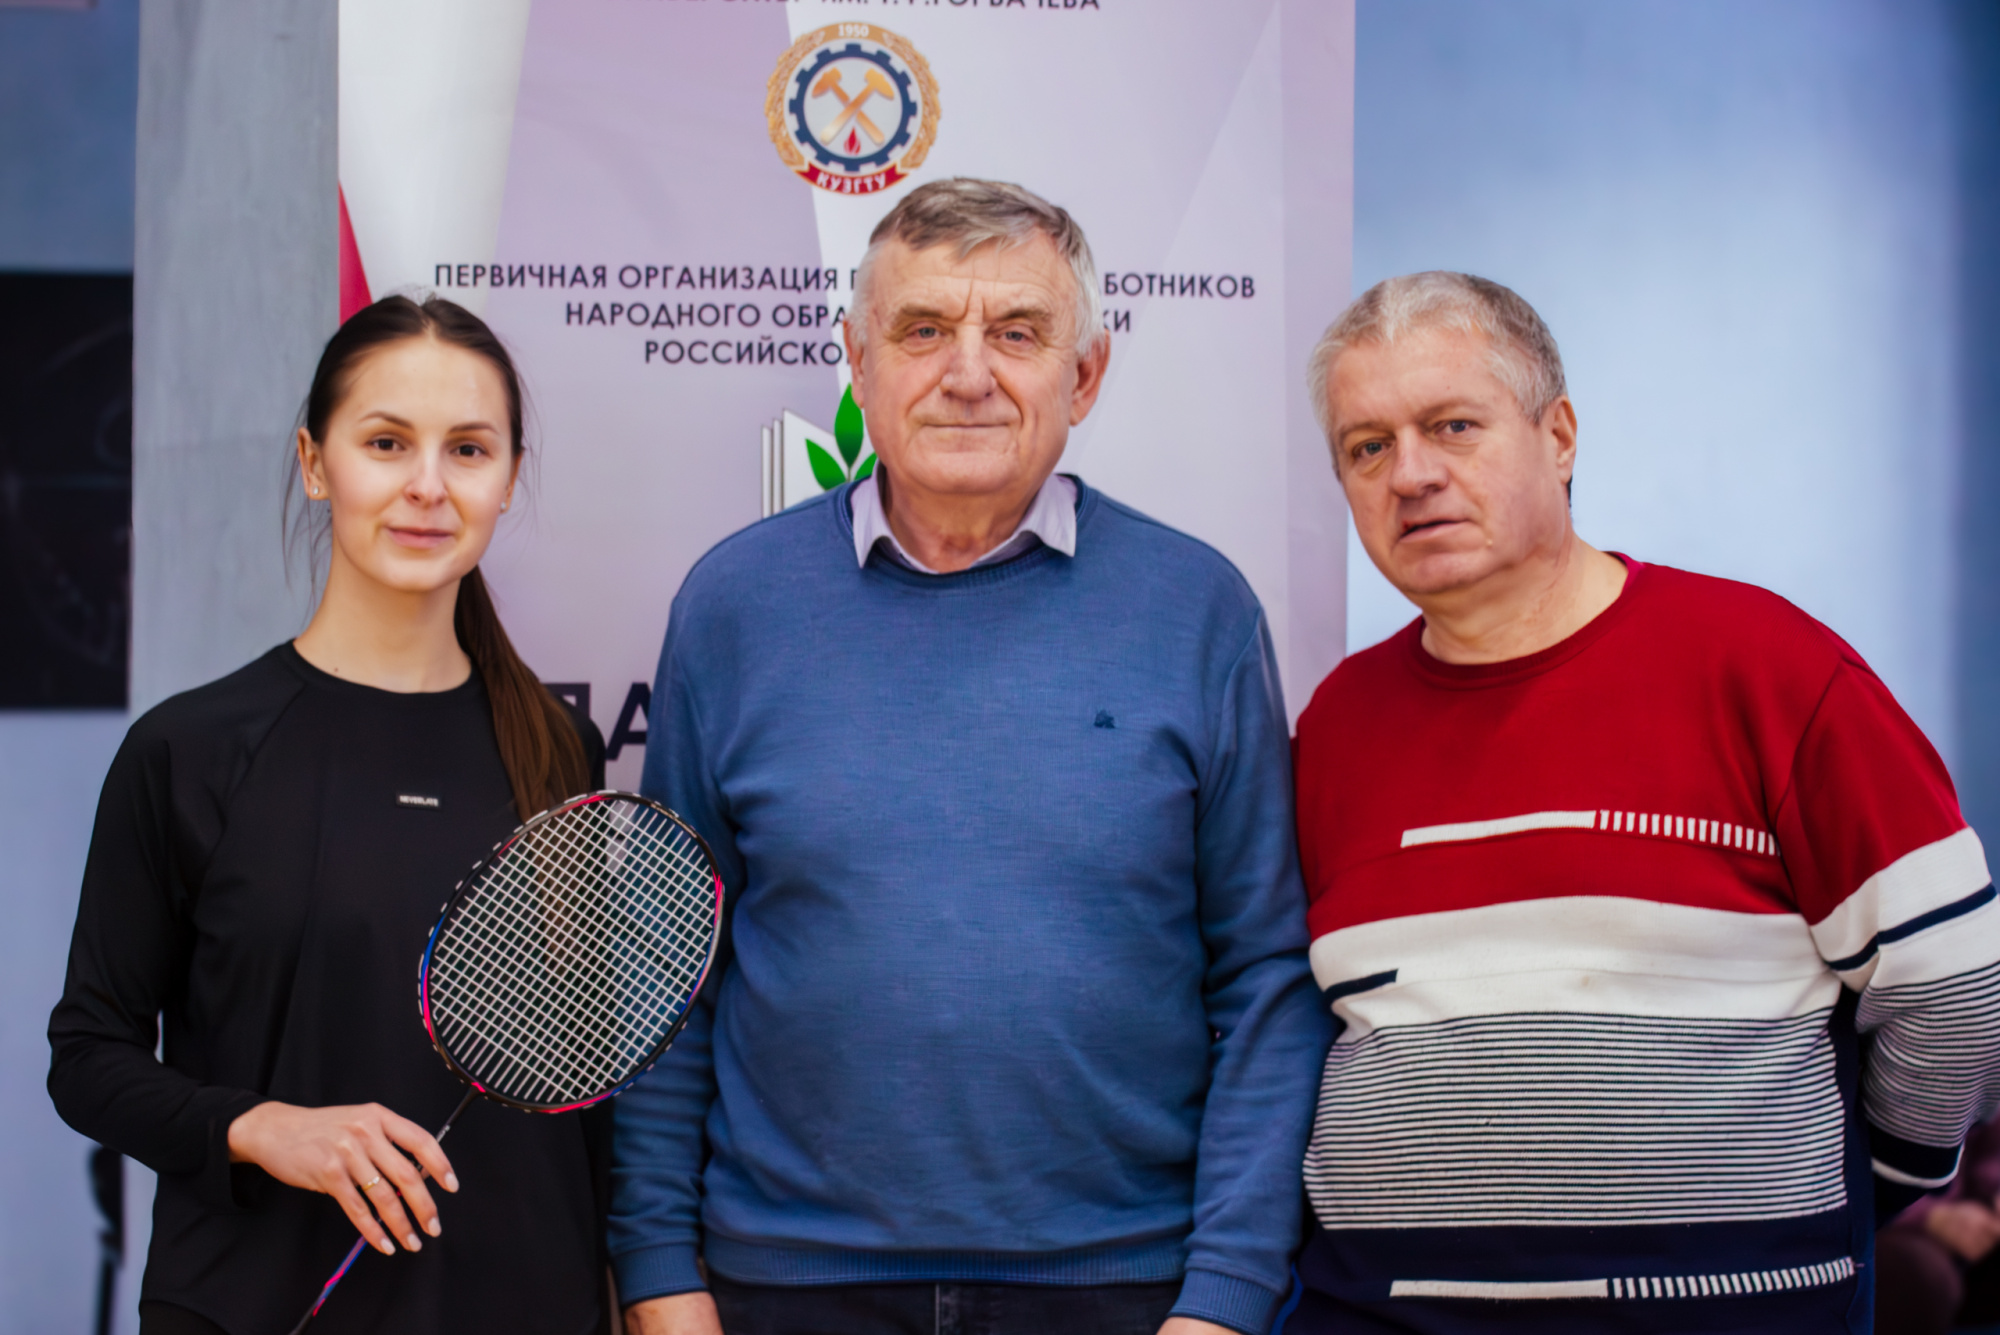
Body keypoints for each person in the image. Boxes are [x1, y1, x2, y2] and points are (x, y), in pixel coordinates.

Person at [610, 178, 1328, 1335]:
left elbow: (1262, 977)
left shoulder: (1198, 609)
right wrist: (656, 1271)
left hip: (1125, 1293)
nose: (967, 373)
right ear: (856, 361)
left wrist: (1225, 1296)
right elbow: (666, 968)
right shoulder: (732, 604)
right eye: (922, 329)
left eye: (1018, 333)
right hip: (784, 1290)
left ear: (1083, 376)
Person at [1287, 271, 2000, 1333]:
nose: (1412, 474)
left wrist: (1862, 1187)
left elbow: (1955, 983)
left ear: (1559, 436)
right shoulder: (1336, 724)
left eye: (1452, 426)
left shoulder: (1765, 667)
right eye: (1367, 446)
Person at [47, 296, 609, 1335]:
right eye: (386, 443)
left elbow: (582, 1085)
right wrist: (261, 1127)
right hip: (253, 1307)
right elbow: (87, 1058)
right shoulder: (190, 750)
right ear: (315, 463)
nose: (428, 485)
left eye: (468, 449)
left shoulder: (558, 748)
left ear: (508, 479)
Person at [1877, 1117, 2000, 1335]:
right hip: (1885, 1225)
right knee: (1924, 1276)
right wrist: (1930, 1217)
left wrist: (1993, 1193)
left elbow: (1989, 1153)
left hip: (1963, 1219)